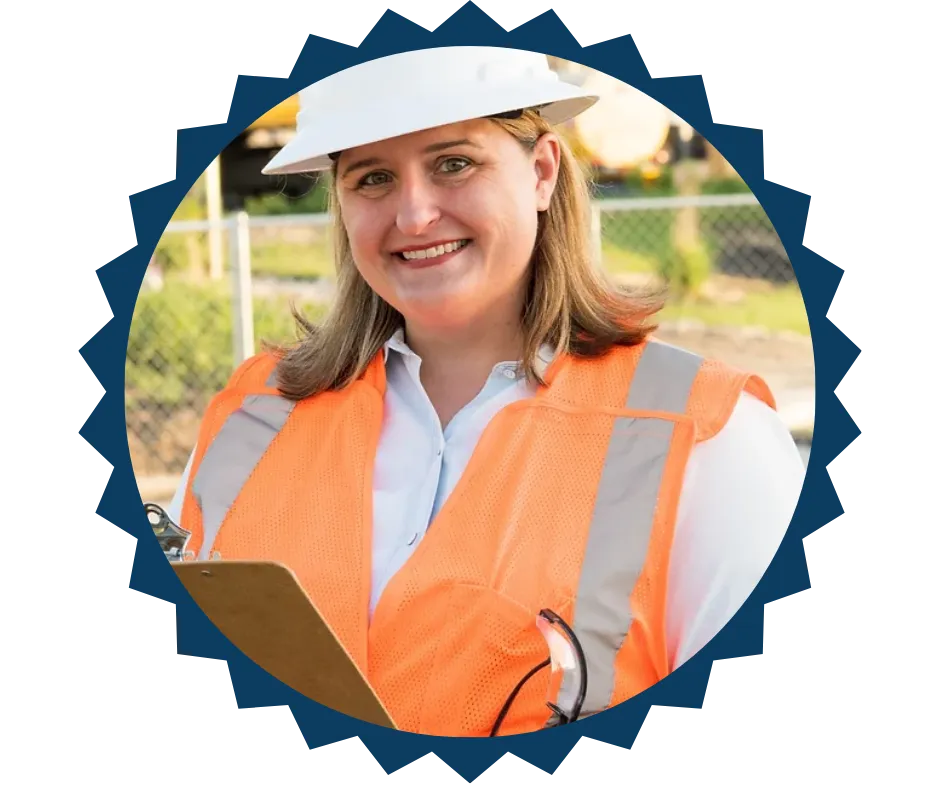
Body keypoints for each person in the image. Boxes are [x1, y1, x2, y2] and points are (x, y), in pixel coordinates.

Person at [160, 46, 807, 738]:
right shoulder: (254, 414)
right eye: (372, 178)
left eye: (454, 163)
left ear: (541, 171)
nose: (413, 215)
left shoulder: (706, 434)